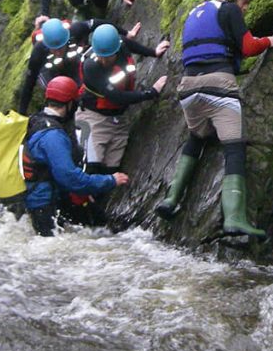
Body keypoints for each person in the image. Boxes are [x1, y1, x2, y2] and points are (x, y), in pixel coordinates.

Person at [154, 0, 273, 238]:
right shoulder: (229, 10)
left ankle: (171, 198)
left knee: (197, 136)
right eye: (245, 2)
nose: (245, 8)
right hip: (218, 84)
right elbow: (248, 47)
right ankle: (234, 219)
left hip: (188, 88)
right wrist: (269, 41)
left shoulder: (196, 12)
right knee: (234, 147)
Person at [22, 76, 129, 236]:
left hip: (37, 199)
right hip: (45, 205)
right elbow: (69, 178)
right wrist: (110, 180)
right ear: (70, 103)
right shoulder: (53, 136)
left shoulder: (36, 120)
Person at [17, 17, 169, 115]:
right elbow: (29, 84)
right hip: (53, 72)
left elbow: (100, 25)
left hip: (73, 63)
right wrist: (22, 114)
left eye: (61, 47)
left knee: (83, 89)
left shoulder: (75, 30)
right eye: (54, 49)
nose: (58, 51)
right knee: (62, 94)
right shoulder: (39, 52)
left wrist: (128, 34)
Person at [76, 23, 168, 175]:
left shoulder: (120, 44)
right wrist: (151, 93)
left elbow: (130, 44)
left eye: (108, 56)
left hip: (117, 118)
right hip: (93, 117)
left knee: (112, 170)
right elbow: (116, 97)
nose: (104, 60)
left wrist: (153, 52)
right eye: (101, 56)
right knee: (91, 167)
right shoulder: (91, 66)